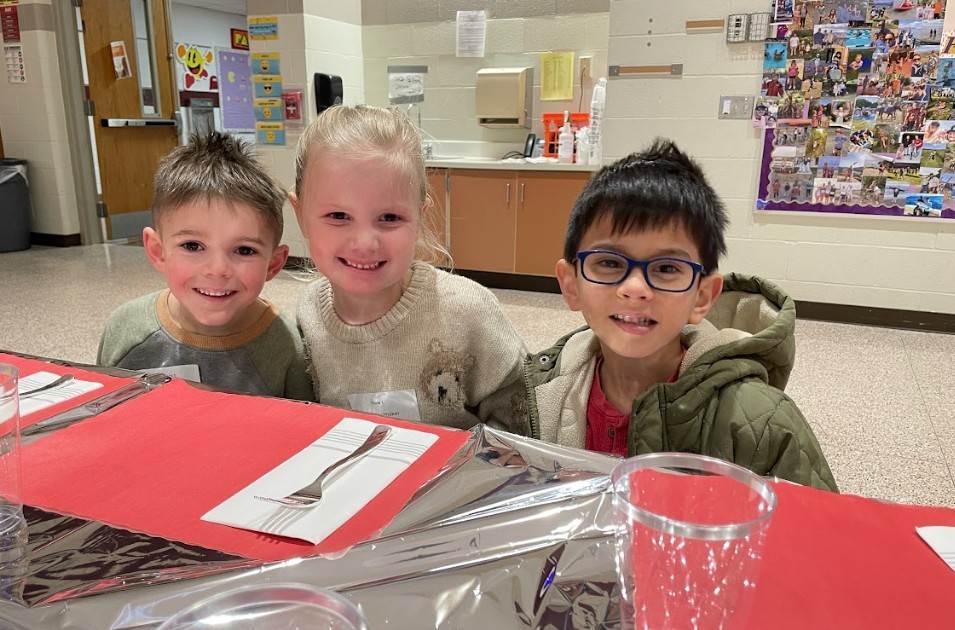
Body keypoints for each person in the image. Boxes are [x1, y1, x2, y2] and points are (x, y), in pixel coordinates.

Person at [522, 139, 837, 492]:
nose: (636, 288)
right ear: (571, 285)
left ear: (702, 297)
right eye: (609, 263)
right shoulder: (534, 395)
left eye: (667, 267)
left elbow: (818, 535)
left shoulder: (765, 425)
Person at [291, 104, 527, 432]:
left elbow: (520, 413)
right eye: (339, 216)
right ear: (299, 214)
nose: (365, 243)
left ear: (419, 218)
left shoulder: (468, 312)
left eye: (390, 218)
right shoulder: (307, 314)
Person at [97, 133, 313, 400]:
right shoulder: (125, 329)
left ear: (274, 264)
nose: (217, 269)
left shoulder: (285, 345)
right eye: (192, 246)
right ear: (157, 251)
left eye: (244, 250)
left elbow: (302, 429)